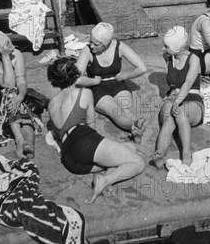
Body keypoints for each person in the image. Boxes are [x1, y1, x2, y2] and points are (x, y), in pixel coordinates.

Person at [47, 56, 144, 204]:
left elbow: (58, 133)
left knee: (130, 148)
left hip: (70, 158)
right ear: (76, 75)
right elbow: (91, 127)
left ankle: (107, 177)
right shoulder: (83, 93)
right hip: (83, 140)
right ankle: (105, 180)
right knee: (137, 163)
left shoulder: (52, 103)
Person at [76, 22, 147, 142]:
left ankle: (135, 126)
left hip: (117, 83)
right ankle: (134, 127)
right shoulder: (87, 51)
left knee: (126, 109)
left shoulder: (119, 46)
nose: (91, 45)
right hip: (97, 87)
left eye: (96, 44)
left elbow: (142, 68)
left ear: (106, 44)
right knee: (115, 111)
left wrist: (125, 75)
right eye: (91, 41)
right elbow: (77, 78)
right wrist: (93, 81)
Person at [0, 30, 39, 158]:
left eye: (10, 44)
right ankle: (20, 139)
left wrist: (20, 97)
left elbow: (20, 80)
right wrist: (5, 57)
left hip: (15, 95)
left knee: (23, 108)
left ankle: (29, 144)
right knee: (9, 97)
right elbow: (8, 83)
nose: (11, 48)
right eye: (6, 46)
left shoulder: (16, 54)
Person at [153, 26, 204, 169]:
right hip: (173, 96)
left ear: (179, 47)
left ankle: (186, 154)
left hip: (192, 98)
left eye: (166, 46)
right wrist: (171, 99)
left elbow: (188, 83)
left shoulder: (194, 59)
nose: (163, 49)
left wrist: (178, 101)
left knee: (180, 114)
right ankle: (160, 153)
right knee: (169, 119)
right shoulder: (168, 57)